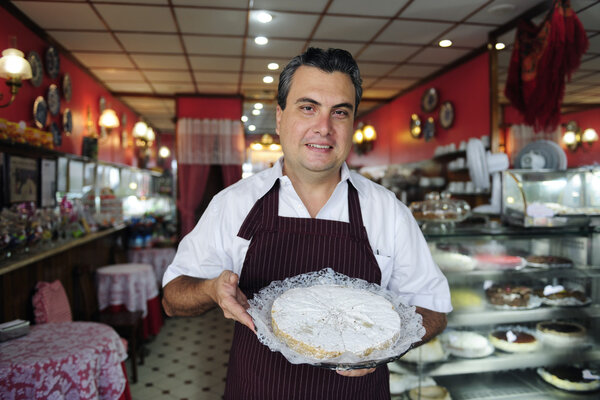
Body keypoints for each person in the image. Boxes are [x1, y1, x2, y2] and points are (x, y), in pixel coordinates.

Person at [162, 47, 452, 400]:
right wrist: (210, 289)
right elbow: (173, 298)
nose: (324, 128)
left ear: (352, 124)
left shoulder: (386, 210)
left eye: (340, 112)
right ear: (281, 118)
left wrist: (385, 346)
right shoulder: (234, 204)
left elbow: (433, 308)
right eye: (308, 107)